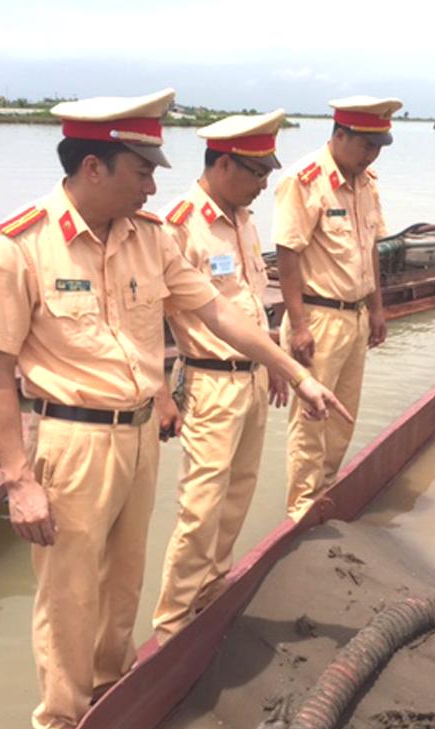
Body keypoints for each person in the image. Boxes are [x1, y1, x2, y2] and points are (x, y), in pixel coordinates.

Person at [0, 90, 348, 729]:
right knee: (69, 596)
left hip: (140, 433)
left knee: (123, 584)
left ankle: (112, 695)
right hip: (73, 440)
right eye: (142, 171)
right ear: (94, 168)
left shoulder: (150, 238)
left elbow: (218, 313)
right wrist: (19, 480)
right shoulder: (18, 246)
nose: (152, 186)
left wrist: (295, 371)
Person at [152, 109, 287, 642]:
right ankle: (171, 624)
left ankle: (211, 594)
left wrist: (273, 359)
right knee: (201, 506)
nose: (264, 184)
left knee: (238, 494)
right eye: (257, 172)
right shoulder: (179, 225)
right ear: (225, 164)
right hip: (209, 382)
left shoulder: (244, 220)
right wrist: (161, 394)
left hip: (252, 378)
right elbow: (148, 318)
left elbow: (251, 299)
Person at [273, 95, 402, 520]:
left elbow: (371, 250)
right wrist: (298, 325)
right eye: (366, 145)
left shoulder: (367, 182)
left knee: (343, 416)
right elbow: (287, 256)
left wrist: (377, 309)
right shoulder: (305, 180)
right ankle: (300, 511)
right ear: (340, 135)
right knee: (311, 421)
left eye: (379, 146)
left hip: (356, 316)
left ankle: (324, 495)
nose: (372, 154)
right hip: (318, 317)